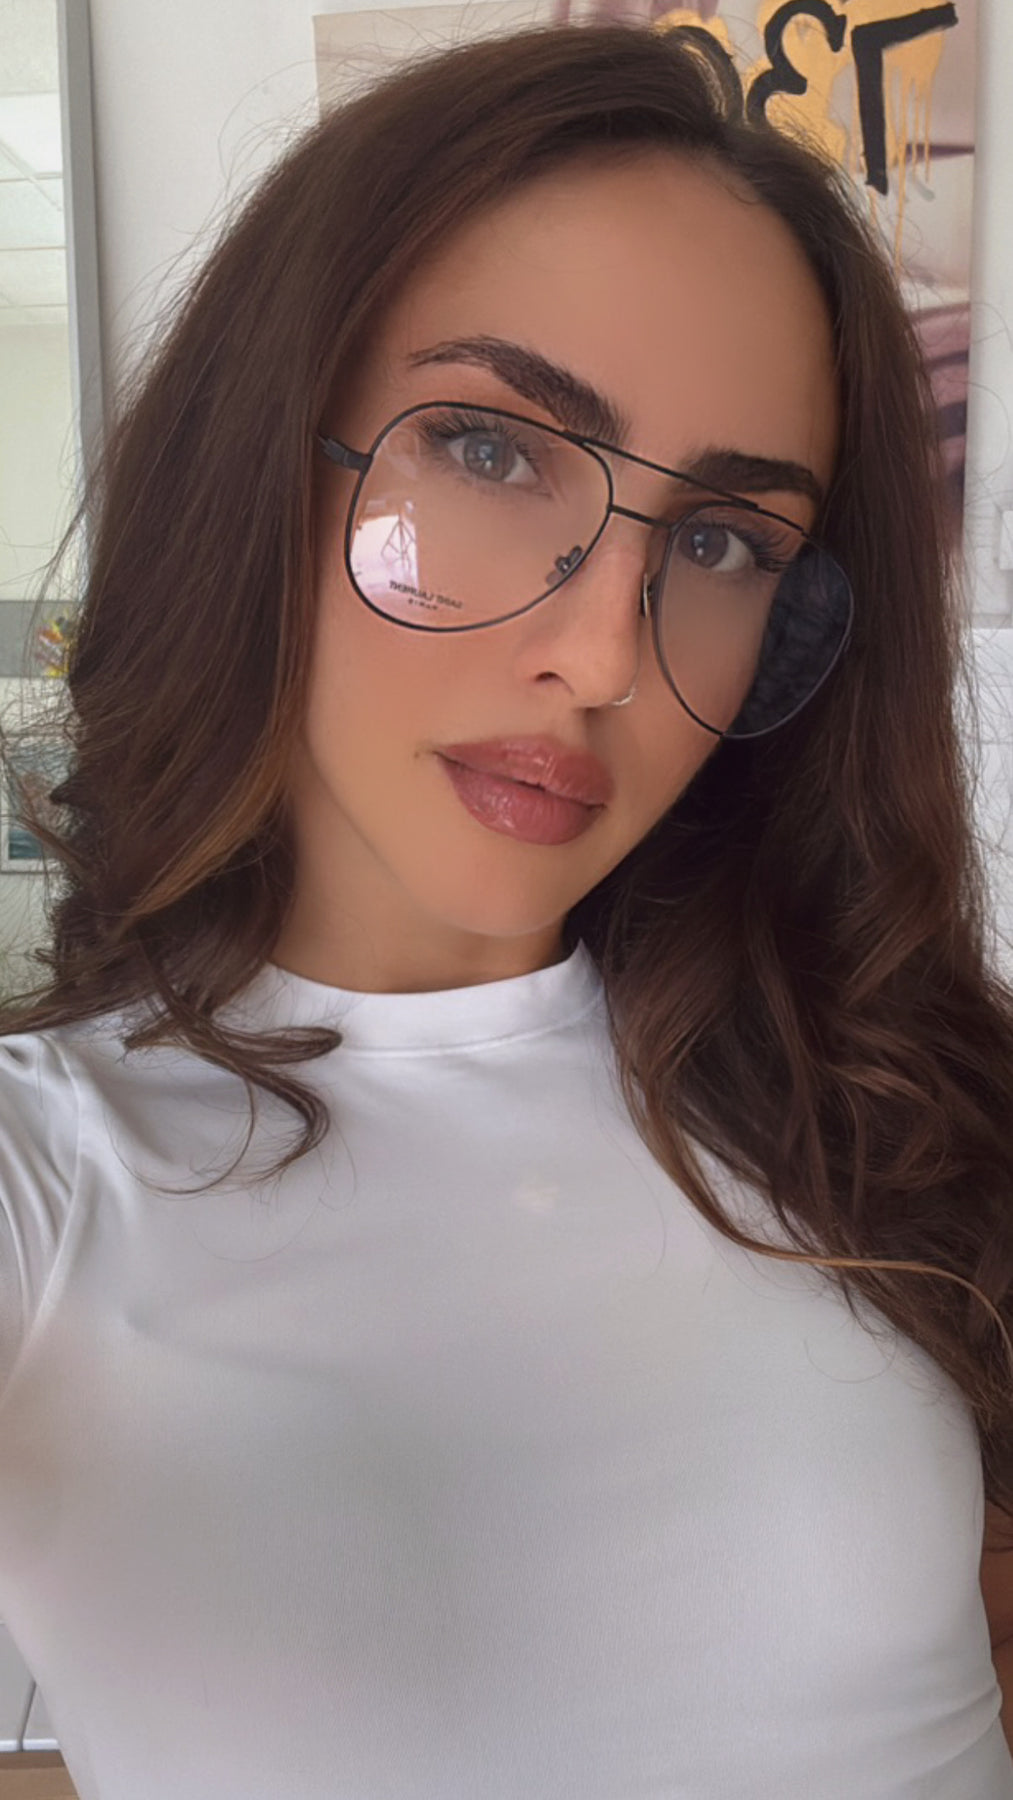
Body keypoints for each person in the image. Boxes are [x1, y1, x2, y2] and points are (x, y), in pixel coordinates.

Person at [1, 20, 1012, 1800]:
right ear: (257, 461)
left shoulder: (871, 1093)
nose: (604, 654)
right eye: (485, 450)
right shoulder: (55, 1176)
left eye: (720, 543)